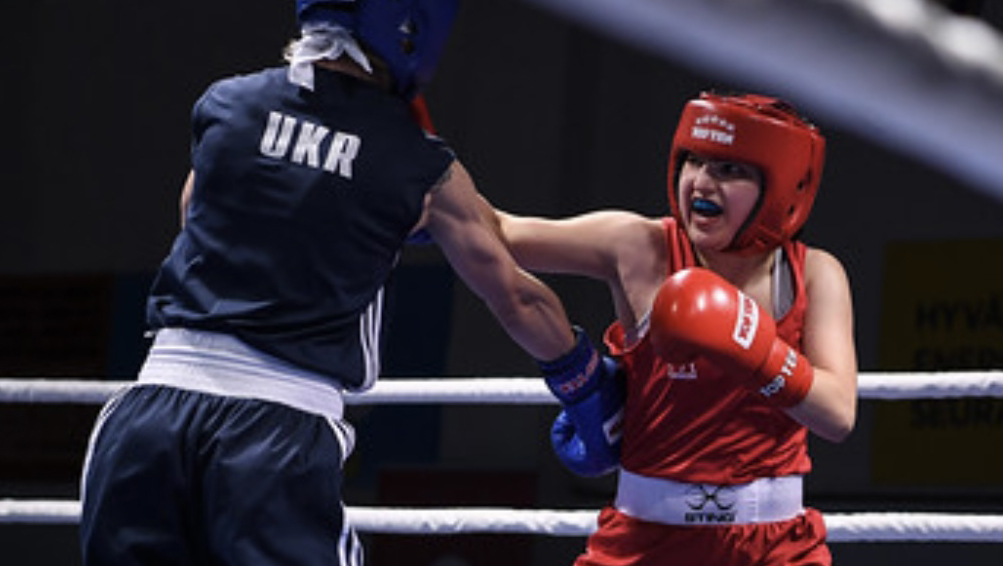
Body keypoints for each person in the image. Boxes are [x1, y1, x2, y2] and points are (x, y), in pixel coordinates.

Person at [78, 1, 622, 565]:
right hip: (273, 431)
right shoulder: (416, 163)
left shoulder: (226, 104)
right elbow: (516, 295)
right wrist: (584, 382)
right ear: (411, 27)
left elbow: (194, 217)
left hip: (145, 418)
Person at [496, 92, 858, 565]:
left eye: (730, 170)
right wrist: (428, 185)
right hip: (643, 541)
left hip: (775, 548)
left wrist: (752, 348)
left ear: (783, 187)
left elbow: (837, 415)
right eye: (694, 161)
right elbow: (501, 233)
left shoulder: (814, 274)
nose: (703, 183)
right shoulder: (640, 247)